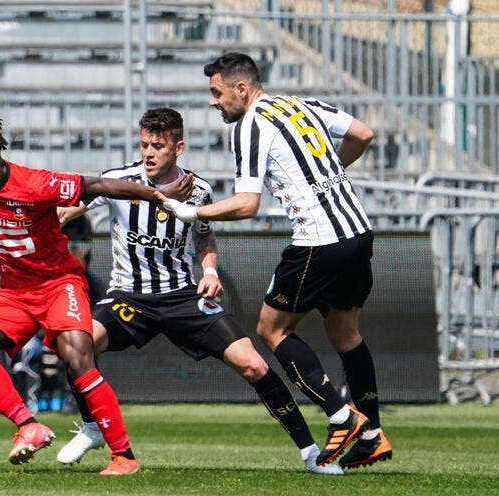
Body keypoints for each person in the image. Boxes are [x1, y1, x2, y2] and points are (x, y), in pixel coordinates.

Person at [55, 107, 344, 475]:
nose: (148, 153)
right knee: (75, 344)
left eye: (157, 146)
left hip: (182, 297)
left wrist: (208, 270)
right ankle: (94, 427)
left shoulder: (200, 191)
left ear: (178, 148)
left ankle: (311, 454)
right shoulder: (118, 180)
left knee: (253, 364)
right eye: (144, 144)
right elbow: (65, 213)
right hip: (129, 297)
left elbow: (205, 239)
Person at [0, 106, 191, 475]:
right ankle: (29, 426)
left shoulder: (34, 183)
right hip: (15, 291)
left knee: (78, 355)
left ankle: (124, 457)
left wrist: (156, 196)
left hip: (58, 284)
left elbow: (98, 186)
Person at [157, 53, 392, 469]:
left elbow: (247, 204)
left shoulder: (250, 125)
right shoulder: (300, 103)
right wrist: (327, 172)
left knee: (271, 329)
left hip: (318, 240)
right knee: (344, 333)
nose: (213, 102)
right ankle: (371, 433)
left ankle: (342, 416)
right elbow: (364, 133)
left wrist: (191, 213)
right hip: (358, 231)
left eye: (217, 92)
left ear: (241, 89)